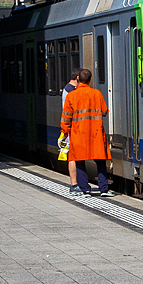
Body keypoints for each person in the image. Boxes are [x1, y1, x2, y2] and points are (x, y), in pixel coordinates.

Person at [61, 68, 111, 196]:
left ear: (78, 79)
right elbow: (104, 111)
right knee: (100, 160)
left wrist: (64, 133)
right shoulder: (97, 93)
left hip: (79, 134)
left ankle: (85, 189)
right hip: (96, 133)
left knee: (79, 161)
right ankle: (104, 188)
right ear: (89, 80)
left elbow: (66, 118)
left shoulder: (71, 96)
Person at [59, 70, 79, 188]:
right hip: (73, 128)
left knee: (73, 156)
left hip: (70, 127)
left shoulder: (67, 90)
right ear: (77, 78)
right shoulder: (71, 91)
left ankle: (75, 183)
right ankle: (74, 184)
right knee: (73, 156)